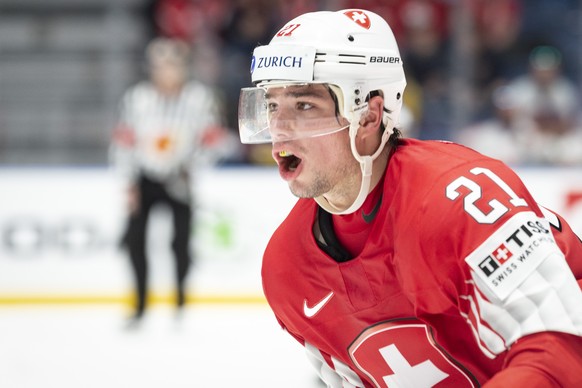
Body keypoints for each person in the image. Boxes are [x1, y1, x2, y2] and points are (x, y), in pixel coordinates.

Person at [238, 9, 582, 387]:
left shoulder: (457, 196)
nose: (279, 133)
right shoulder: (287, 269)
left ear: (369, 116)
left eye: (304, 106)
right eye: (272, 106)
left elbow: (562, 352)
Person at [110, 37, 230, 324]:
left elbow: (215, 140)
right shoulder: (137, 98)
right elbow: (123, 142)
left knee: (181, 243)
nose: (167, 72)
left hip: (181, 178)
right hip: (145, 178)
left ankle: (179, 302)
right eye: (161, 66)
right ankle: (139, 305)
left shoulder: (198, 99)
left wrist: (193, 166)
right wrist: (128, 182)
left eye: (173, 66)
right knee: (136, 242)